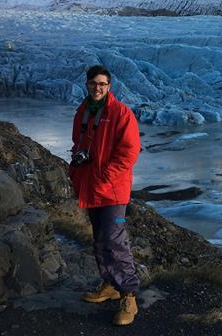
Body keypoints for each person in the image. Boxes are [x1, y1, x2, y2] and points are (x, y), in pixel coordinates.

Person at [68, 65, 141, 326]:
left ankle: (129, 295)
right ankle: (109, 284)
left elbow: (130, 152)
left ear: (109, 87)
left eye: (102, 84)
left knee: (114, 239)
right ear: (87, 85)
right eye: (93, 83)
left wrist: (105, 175)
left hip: (112, 189)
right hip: (91, 185)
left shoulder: (121, 114)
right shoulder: (83, 111)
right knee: (99, 238)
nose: (97, 88)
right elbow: (79, 141)